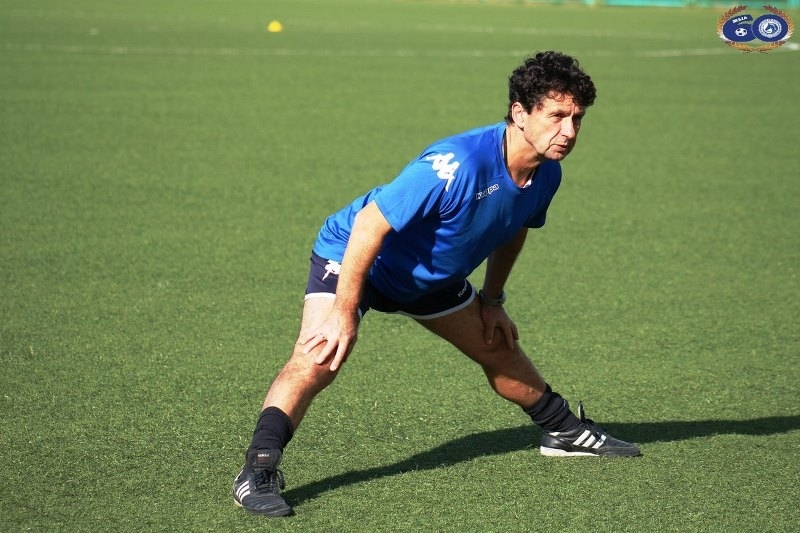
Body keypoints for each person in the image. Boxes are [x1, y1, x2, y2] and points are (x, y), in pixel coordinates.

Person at [232, 50, 640, 518]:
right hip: (357, 258)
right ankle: (257, 470)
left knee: (498, 347)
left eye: (577, 118)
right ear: (520, 113)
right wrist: (344, 311)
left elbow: (515, 226)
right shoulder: (456, 163)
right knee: (319, 356)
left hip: (430, 276)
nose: (568, 131)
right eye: (556, 116)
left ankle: (562, 431)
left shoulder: (547, 174)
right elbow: (369, 225)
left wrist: (492, 299)